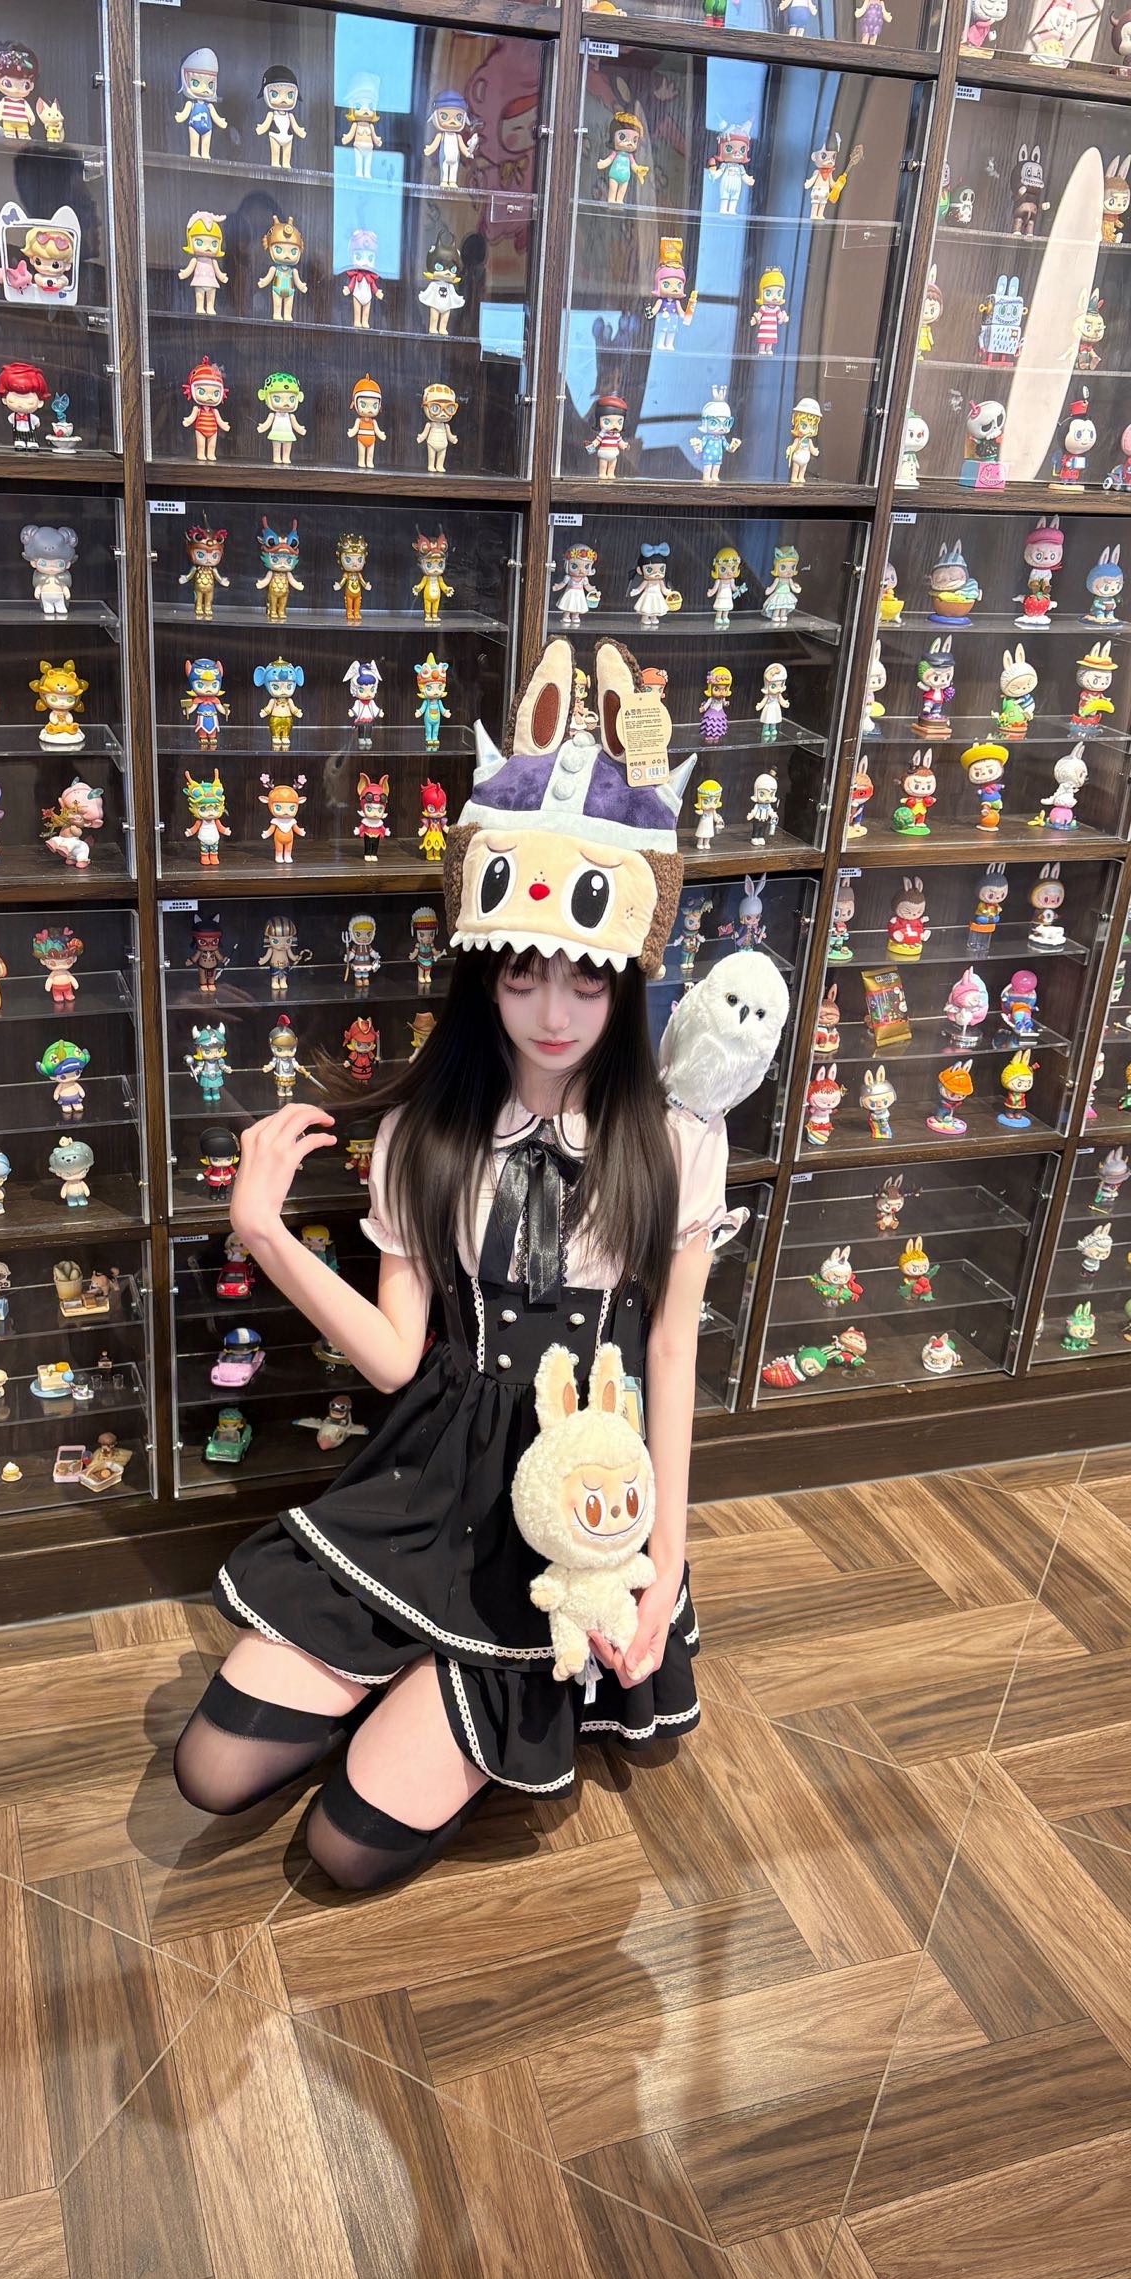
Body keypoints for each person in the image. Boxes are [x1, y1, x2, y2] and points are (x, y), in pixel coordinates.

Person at [173, 637, 744, 1891]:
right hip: (433, 1472)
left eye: (583, 983)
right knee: (208, 1767)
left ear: (626, 980)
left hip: (577, 1495)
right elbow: (393, 1358)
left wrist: (661, 1569)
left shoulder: (677, 1142)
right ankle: (397, 1665)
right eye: (523, 977)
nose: (553, 1013)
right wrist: (263, 1234)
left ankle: (455, 1687)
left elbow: (667, 1353)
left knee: (345, 1849)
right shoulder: (427, 1135)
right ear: (485, 976)